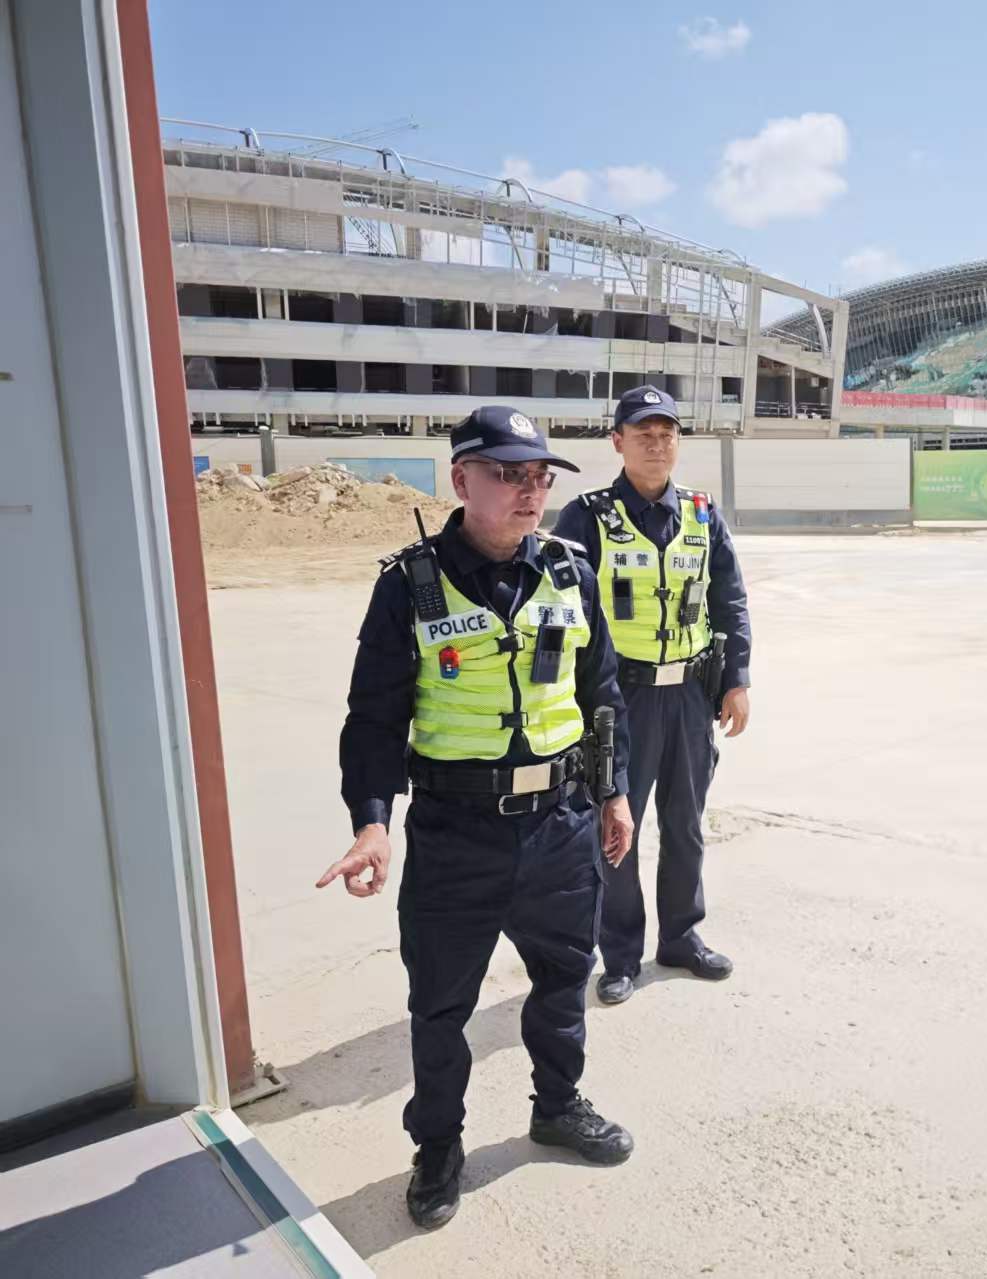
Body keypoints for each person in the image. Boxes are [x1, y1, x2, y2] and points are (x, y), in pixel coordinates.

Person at [319, 405, 637, 1230]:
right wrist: (371, 821)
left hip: (560, 824)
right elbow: (374, 719)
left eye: (539, 476)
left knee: (563, 978)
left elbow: (602, 693)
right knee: (441, 1005)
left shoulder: (569, 570)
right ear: (461, 479)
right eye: (507, 474)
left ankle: (557, 1105)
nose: (529, 491)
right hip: (455, 835)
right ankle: (437, 1146)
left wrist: (613, 792)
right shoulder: (410, 585)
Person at [554, 385, 752, 1006]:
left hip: (690, 696)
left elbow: (730, 599)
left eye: (667, 434)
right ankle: (619, 954)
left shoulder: (701, 513)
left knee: (685, 824)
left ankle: (681, 937)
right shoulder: (586, 517)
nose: (657, 444)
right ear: (618, 442)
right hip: (620, 701)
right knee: (618, 827)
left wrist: (737, 680)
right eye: (644, 434)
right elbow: (559, 608)